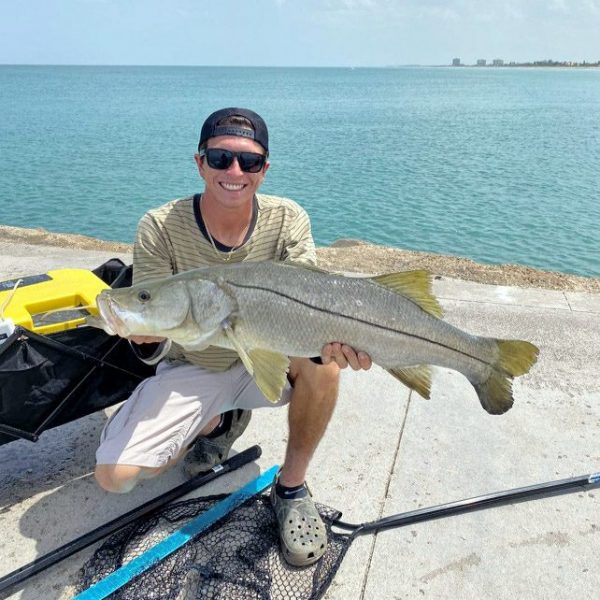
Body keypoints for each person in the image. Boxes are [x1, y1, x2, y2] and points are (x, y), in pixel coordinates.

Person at [94, 107, 372, 567]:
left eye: (250, 161)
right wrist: (143, 333)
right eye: (221, 158)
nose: (235, 171)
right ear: (200, 162)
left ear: (265, 169)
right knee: (115, 476)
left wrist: (338, 340)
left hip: (267, 356)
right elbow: (152, 315)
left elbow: (310, 301)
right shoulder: (159, 227)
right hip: (195, 364)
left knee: (325, 365)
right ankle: (217, 421)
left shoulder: (288, 220)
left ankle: (292, 487)